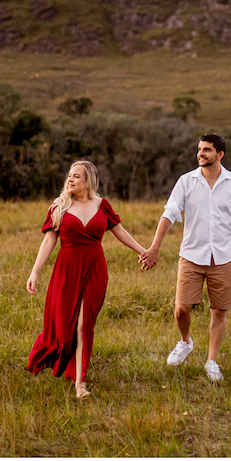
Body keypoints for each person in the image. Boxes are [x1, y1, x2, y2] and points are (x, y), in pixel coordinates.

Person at [26, 160, 147, 399]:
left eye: (77, 176)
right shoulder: (59, 206)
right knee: (63, 330)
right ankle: (49, 352)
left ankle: (80, 382)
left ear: (88, 180)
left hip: (94, 269)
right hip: (66, 270)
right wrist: (35, 272)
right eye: (70, 175)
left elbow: (120, 231)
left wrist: (142, 251)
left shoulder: (102, 205)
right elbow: (49, 240)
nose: (70, 179)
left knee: (83, 325)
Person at [140, 133, 231, 382]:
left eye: (207, 150)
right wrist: (154, 247)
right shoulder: (186, 181)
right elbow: (169, 213)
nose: (201, 153)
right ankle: (185, 341)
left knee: (219, 311)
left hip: (223, 257)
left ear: (220, 154)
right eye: (200, 149)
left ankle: (211, 362)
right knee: (181, 308)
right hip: (191, 255)